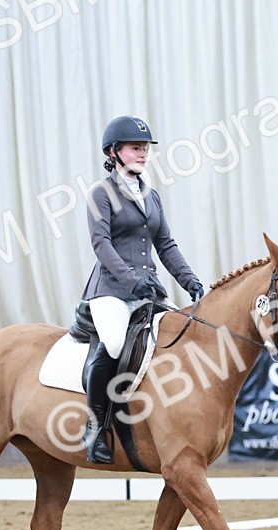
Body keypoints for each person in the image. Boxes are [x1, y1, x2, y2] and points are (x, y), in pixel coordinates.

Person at [79, 115, 204, 464]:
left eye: (145, 148)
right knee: (117, 343)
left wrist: (189, 280)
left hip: (148, 291)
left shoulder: (151, 196)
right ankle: (95, 426)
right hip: (110, 290)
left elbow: (166, 245)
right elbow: (101, 244)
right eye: (136, 148)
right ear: (115, 152)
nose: (143, 154)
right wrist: (130, 280)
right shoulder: (100, 194)